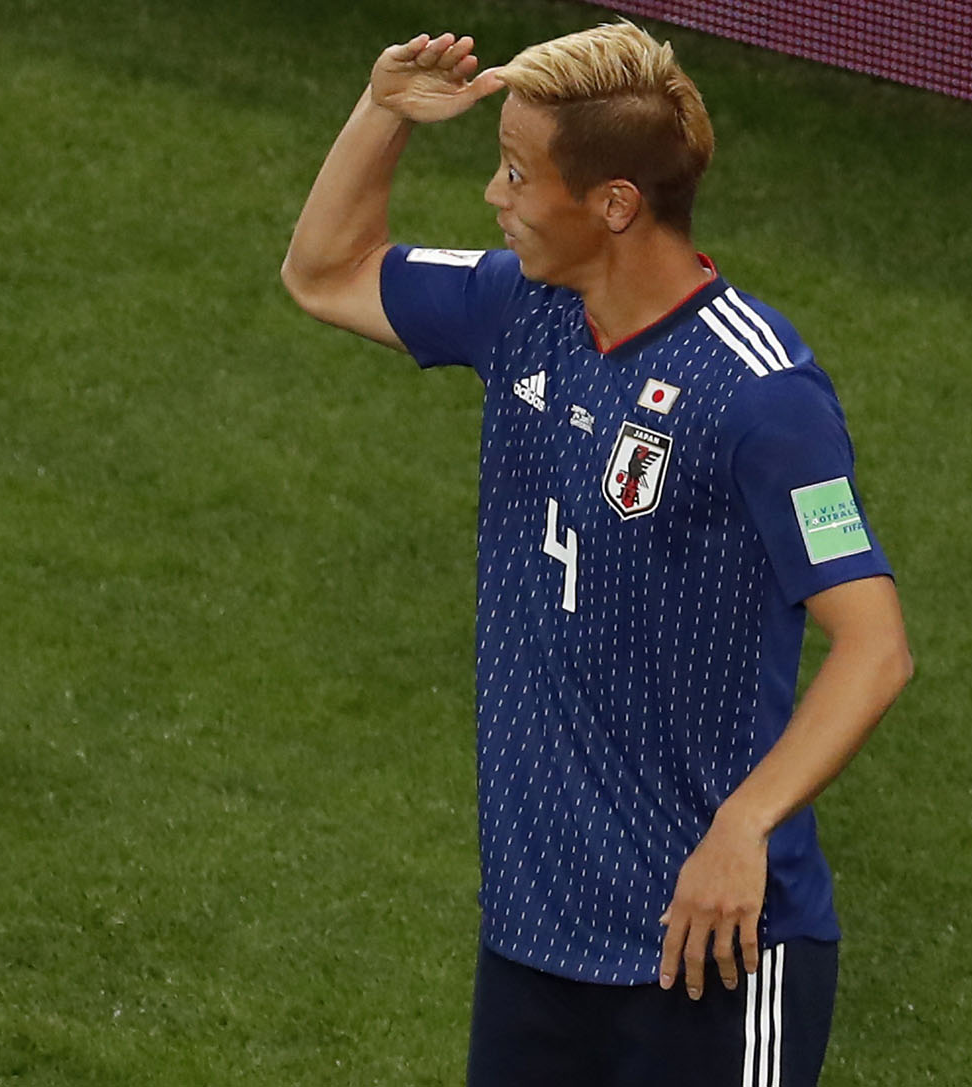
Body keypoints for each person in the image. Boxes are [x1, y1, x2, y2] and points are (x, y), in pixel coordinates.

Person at [282, 22, 910, 1087]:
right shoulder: (518, 309)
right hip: (538, 936)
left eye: (519, 173)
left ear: (614, 204)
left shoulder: (761, 395)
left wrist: (745, 826)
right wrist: (381, 110)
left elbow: (875, 645)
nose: (494, 196)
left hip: (712, 947)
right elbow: (324, 270)